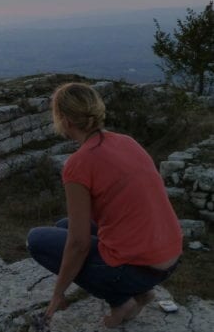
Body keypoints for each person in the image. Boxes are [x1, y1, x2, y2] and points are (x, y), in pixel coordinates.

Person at [26, 82, 183, 328]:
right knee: (63, 226)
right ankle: (142, 293)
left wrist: (58, 294)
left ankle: (121, 301)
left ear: (65, 120)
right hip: (170, 258)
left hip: (140, 268)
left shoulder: (79, 164)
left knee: (37, 240)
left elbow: (79, 244)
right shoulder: (126, 141)